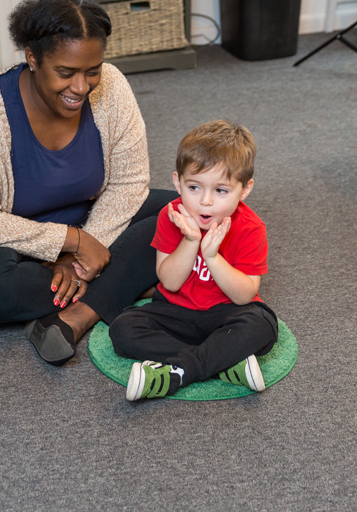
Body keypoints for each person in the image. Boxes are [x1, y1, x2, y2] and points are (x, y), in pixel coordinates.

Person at [0, 0, 175, 366]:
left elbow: (129, 184)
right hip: (7, 240)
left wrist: (81, 254)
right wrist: (71, 243)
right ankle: (130, 282)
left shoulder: (112, 86)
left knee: (192, 214)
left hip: (92, 222)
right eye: (65, 72)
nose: (81, 87)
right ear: (33, 57)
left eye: (92, 70)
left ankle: (75, 312)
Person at [108, 120, 279, 401]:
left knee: (263, 326)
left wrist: (212, 257)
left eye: (221, 190)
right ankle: (223, 359)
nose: (205, 202)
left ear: (245, 190)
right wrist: (190, 242)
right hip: (175, 310)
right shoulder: (170, 215)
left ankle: (181, 369)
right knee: (123, 329)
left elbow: (244, 295)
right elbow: (170, 282)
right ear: (177, 182)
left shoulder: (251, 227)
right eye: (194, 187)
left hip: (226, 312)